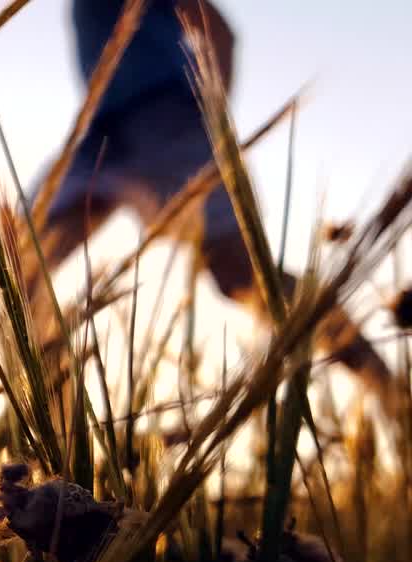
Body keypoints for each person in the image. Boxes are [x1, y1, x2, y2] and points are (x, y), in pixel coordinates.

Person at [28, 0, 392, 402]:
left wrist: (213, 122)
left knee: (239, 274)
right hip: (102, 131)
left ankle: (390, 389)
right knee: (23, 265)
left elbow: (219, 31)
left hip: (172, 119)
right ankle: (56, 434)